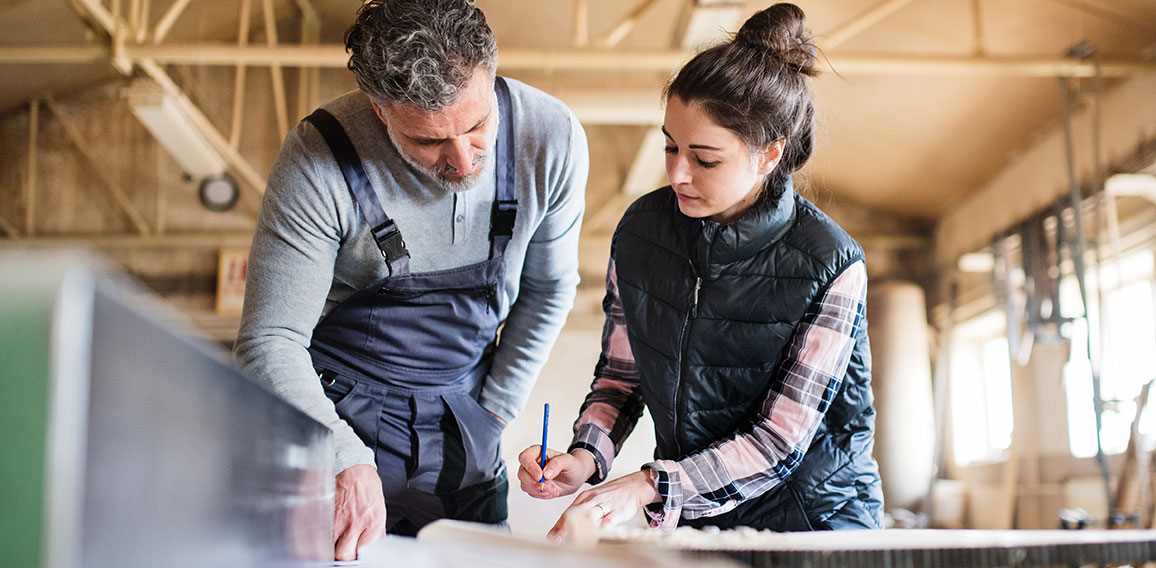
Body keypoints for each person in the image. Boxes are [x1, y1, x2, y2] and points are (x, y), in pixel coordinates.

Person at [234, 0, 587, 559]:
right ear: (380, 110)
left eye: (476, 127)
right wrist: (341, 458)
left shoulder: (550, 138)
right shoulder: (318, 158)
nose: (464, 161)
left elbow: (548, 290)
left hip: (465, 423)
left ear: (491, 77)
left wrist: (493, 414)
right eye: (429, 142)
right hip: (333, 418)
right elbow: (268, 341)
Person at [517, 3, 882, 541]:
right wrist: (585, 457)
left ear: (768, 155)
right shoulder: (641, 234)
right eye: (670, 146)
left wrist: (647, 485)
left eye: (705, 159)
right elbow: (622, 375)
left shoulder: (831, 263)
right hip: (696, 511)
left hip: (815, 521)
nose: (677, 173)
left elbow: (778, 442)